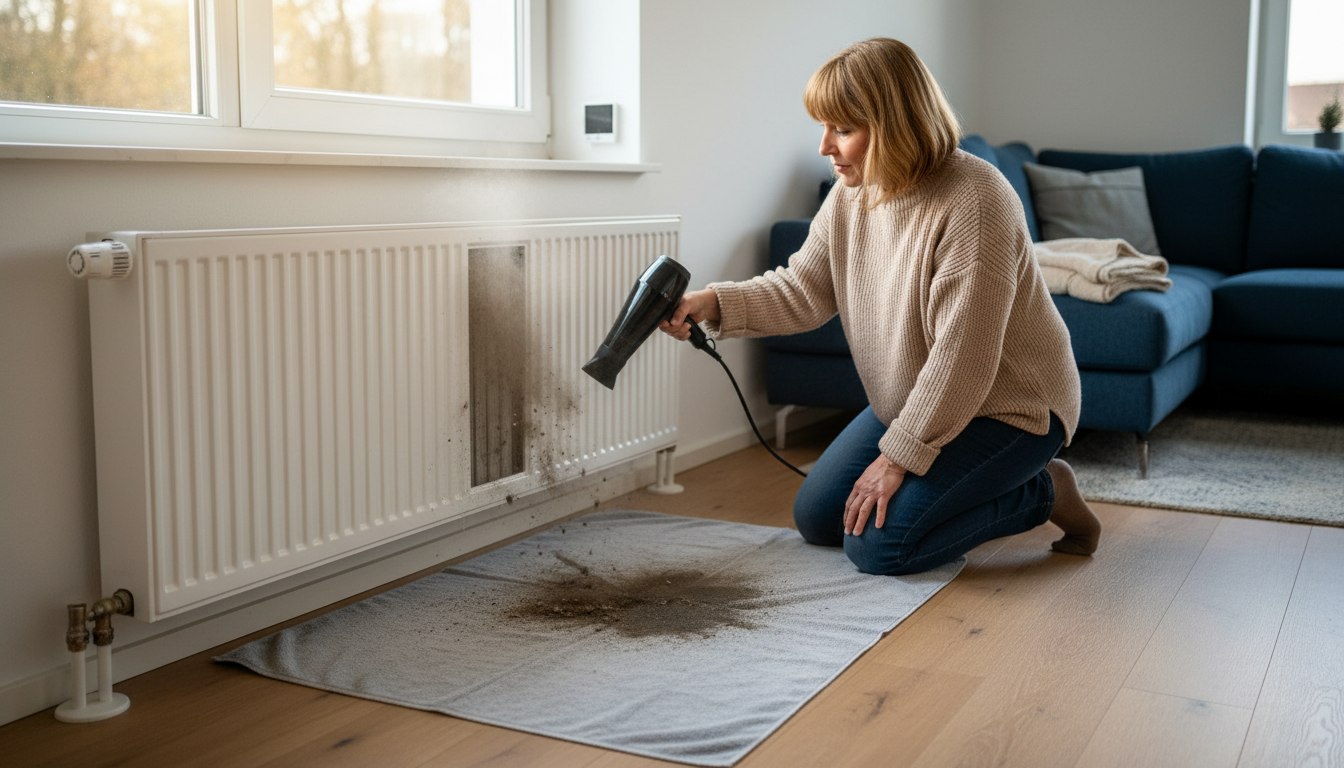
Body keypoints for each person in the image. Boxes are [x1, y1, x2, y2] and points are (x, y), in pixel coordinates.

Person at [659, 37, 1101, 575]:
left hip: (1010, 408)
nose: (825, 146)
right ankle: (974, 480)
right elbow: (805, 289)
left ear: (896, 124)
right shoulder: (852, 193)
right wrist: (714, 304)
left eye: (843, 129)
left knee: (881, 547)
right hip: (919, 398)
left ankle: (1043, 491)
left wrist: (897, 458)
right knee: (820, 520)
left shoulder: (977, 200)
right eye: (824, 126)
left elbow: (963, 358)